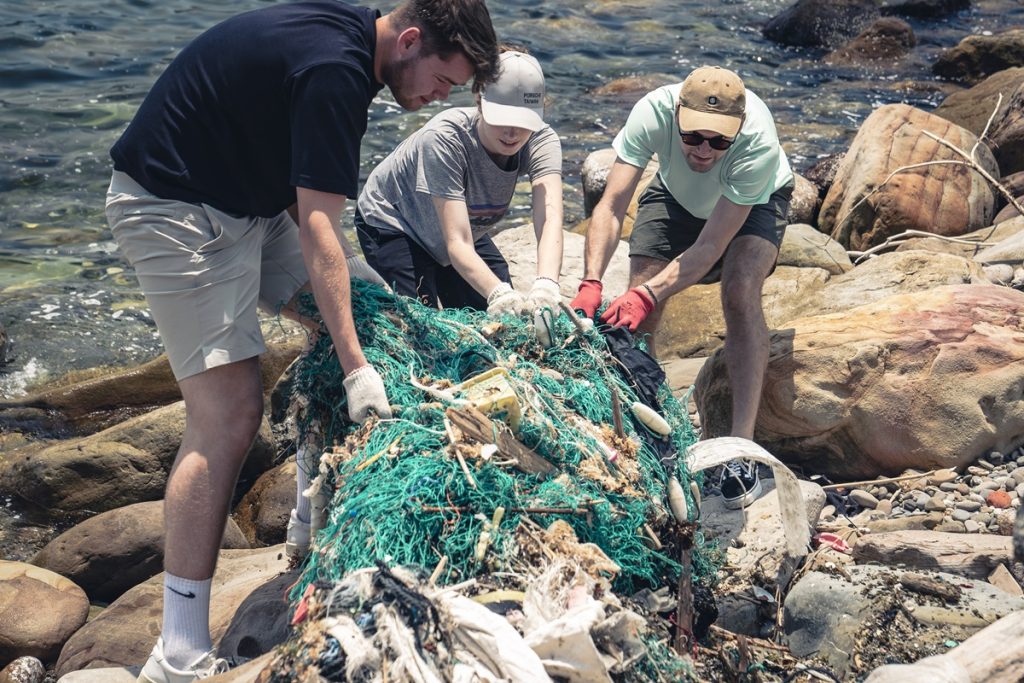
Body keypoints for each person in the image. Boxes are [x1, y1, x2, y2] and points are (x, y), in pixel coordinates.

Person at [103, 1, 498, 681]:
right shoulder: (337, 70)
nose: (441, 98)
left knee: (378, 315)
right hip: (175, 209)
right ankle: (178, 649)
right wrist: (353, 370)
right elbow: (320, 228)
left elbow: (294, 177)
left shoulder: (355, 45)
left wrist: (356, 334)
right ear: (409, 40)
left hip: (247, 204)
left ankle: (306, 529)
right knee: (227, 416)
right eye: (443, 79)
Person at [570, 65, 794, 510]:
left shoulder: (758, 145)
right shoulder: (652, 111)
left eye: (718, 141)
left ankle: (739, 449)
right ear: (677, 115)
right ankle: (648, 423)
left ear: (738, 130)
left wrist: (649, 293)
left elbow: (711, 245)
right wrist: (592, 281)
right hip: (675, 195)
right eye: (693, 137)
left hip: (752, 203)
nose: (705, 150)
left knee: (739, 290)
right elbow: (612, 204)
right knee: (640, 288)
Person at [355, 49, 563, 317]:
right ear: (478, 99)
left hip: (459, 225)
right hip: (394, 224)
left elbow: (549, 218)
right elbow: (457, 244)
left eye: (523, 121)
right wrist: (498, 294)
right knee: (421, 326)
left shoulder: (542, 140)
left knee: (505, 323)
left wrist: (546, 284)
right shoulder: (445, 139)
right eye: (502, 118)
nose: (512, 133)